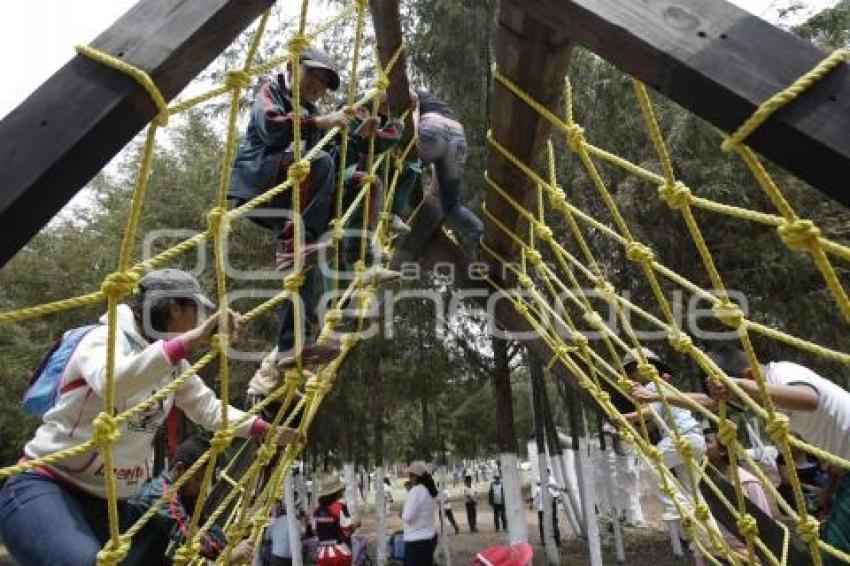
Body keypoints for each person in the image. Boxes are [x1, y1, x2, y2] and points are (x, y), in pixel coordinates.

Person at [0, 269, 304, 565]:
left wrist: (267, 430)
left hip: (111, 508)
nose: (198, 321)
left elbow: (208, 409)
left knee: (159, 541)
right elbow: (113, 382)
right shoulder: (102, 339)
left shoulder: (171, 365)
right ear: (174, 308)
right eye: (195, 311)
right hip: (47, 487)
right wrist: (192, 339)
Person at [229, 45, 350, 367]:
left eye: (324, 82)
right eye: (314, 74)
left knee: (309, 255)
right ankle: (294, 240)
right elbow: (271, 129)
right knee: (319, 163)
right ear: (292, 66)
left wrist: (354, 133)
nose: (317, 85)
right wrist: (322, 122)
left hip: (289, 192)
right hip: (260, 180)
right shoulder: (270, 91)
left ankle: (292, 344)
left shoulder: (310, 113)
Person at [706, 345, 850, 562]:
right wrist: (828, 490)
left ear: (750, 375)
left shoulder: (781, 374)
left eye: (741, 397)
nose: (746, 402)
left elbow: (811, 399)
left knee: (833, 554)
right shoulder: (776, 395)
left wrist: (743, 387)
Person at [123, 436, 254, 564]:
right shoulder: (159, 494)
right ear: (180, 469)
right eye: (198, 479)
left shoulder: (182, 494)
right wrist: (228, 555)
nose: (201, 487)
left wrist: (228, 546)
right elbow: (186, 534)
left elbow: (204, 524)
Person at [622, 347, 707, 523]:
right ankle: (704, 534)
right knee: (692, 493)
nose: (630, 376)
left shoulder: (654, 385)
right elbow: (653, 422)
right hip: (696, 440)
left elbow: (648, 414)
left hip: (682, 437)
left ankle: (676, 507)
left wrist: (623, 418)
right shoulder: (665, 386)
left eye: (632, 370)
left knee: (649, 466)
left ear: (646, 367)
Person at [409, 88, 483, 250]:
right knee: (451, 205)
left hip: (432, 127)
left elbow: (412, 98)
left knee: (405, 167)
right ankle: (480, 236)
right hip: (457, 136)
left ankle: (396, 215)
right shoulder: (436, 102)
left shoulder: (408, 89)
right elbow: (440, 161)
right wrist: (434, 193)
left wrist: (413, 140)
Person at [704, 428, 773, 563]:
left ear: (723, 450)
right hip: (715, 552)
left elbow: (766, 525)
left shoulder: (748, 483)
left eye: (707, 441)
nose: (701, 445)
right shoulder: (702, 482)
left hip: (746, 555)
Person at [402, 461, 438, 566]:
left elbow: (408, 517)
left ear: (415, 477)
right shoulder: (430, 491)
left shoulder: (416, 491)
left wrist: (402, 513)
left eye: (410, 475)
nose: (409, 478)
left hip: (415, 542)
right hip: (429, 539)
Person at [313, 477, 357, 566]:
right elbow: (346, 533)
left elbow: (315, 531)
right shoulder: (340, 507)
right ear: (337, 493)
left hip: (322, 555)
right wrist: (355, 526)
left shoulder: (317, 511)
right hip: (339, 554)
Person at [530, 479, 561, 547]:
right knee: (553, 524)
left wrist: (534, 503)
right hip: (549, 510)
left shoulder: (537, 489)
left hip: (541, 510)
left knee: (542, 525)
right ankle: (557, 541)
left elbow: (533, 498)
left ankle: (544, 541)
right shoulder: (549, 489)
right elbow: (556, 496)